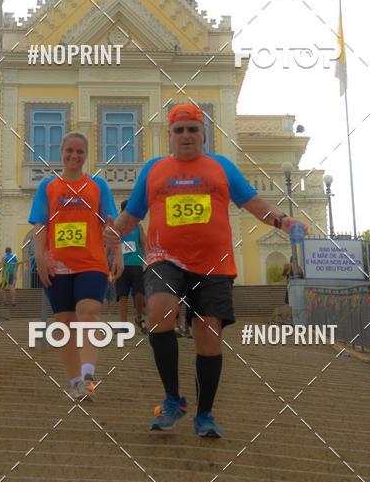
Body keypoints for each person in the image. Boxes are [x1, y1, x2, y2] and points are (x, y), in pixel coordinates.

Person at [105, 102, 308, 438]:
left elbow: (254, 203)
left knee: (209, 334)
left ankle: (205, 414)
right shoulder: (154, 170)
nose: (186, 135)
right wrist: (112, 234)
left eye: (192, 129)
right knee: (159, 310)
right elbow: (132, 216)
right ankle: (172, 400)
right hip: (165, 258)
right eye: (179, 130)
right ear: (169, 135)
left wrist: (282, 220)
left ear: (204, 134)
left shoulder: (221, 167)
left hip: (214, 264)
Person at [28, 132, 123, 400]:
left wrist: (118, 253)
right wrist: (40, 257)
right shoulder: (48, 186)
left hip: (92, 262)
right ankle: (75, 382)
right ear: (61, 152)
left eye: (80, 151)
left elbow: (111, 223)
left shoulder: (97, 185)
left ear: (86, 155)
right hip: (57, 265)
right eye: (70, 150)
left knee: (89, 311)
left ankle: (88, 375)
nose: (74, 156)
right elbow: (40, 224)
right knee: (65, 324)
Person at [116, 199, 148, 335]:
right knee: (122, 295)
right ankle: (123, 325)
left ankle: (139, 318)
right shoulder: (117, 227)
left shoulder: (138, 226)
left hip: (137, 264)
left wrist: (146, 260)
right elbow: (112, 245)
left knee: (139, 294)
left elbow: (144, 243)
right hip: (121, 266)